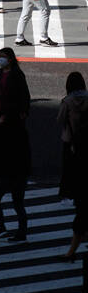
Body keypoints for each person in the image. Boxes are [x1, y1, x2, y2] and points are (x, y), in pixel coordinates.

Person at [0, 47, 30, 242]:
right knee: (16, 201)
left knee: (0, 198)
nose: (0, 60)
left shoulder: (17, 76)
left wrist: (7, 116)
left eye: (3, 57)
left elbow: (22, 99)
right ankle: (19, 231)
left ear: (10, 59)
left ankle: (8, 228)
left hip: (8, 171)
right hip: (17, 170)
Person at [57, 72, 88, 261]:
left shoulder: (67, 101)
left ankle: (69, 192)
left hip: (72, 144)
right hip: (87, 144)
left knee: (71, 174)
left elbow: (60, 120)